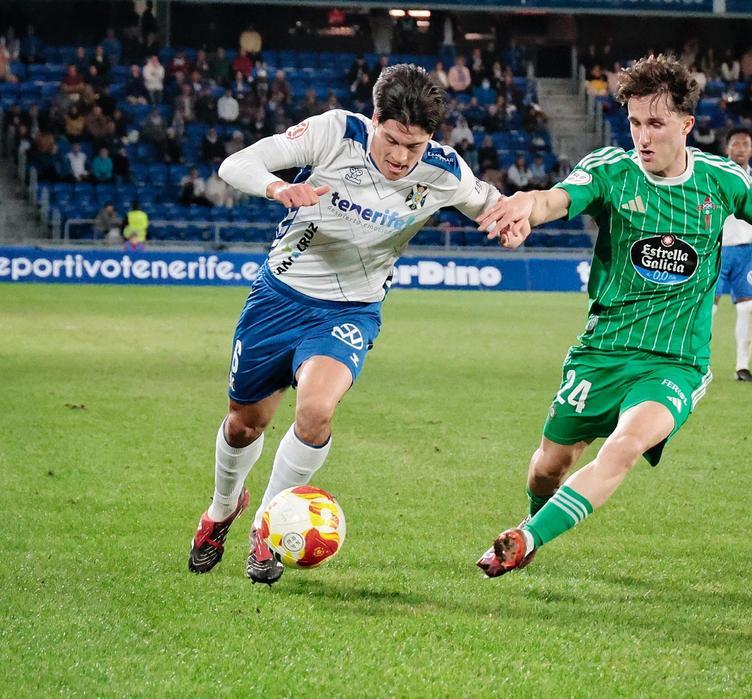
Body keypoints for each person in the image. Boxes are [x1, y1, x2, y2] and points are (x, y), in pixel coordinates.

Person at [473, 54, 752, 577]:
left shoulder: (721, 180)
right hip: (601, 352)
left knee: (625, 445)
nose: (643, 137)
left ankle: (526, 537)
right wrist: (527, 207)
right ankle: (537, 525)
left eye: (655, 123)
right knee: (547, 468)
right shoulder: (611, 170)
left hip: (675, 361)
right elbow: (557, 199)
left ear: (686, 124)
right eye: (634, 123)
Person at [186, 64, 514, 585]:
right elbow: (237, 164)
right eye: (392, 139)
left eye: (415, 145)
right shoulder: (336, 132)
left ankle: (266, 531)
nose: (401, 157)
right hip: (278, 298)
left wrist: (513, 221)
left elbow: (494, 205)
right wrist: (278, 189)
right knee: (244, 423)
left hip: (349, 311)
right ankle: (222, 508)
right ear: (375, 118)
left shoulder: (444, 171)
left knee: (315, 410)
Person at [712, 127, 752, 382]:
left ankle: (742, 366)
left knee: (748, 308)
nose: (740, 149)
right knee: (708, 310)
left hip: (744, 252)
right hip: (716, 251)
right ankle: (698, 363)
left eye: (745, 144)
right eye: (735, 144)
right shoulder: (715, 174)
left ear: (751, 149)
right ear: (727, 148)